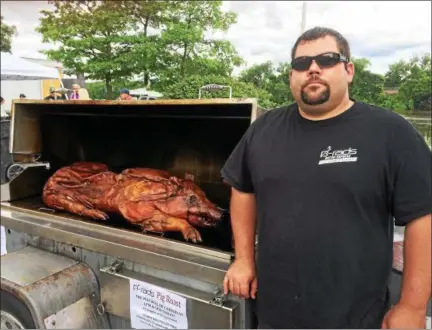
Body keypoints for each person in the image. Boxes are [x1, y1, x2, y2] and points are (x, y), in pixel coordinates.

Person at [221, 27, 431, 329]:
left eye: (327, 59)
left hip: (355, 317)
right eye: (301, 63)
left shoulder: (390, 132)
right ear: (292, 75)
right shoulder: (264, 129)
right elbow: (242, 188)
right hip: (273, 313)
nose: (313, 68)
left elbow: (423, 216)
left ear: (349, 70)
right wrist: (243, 259)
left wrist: (412, 306)